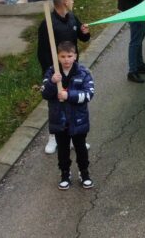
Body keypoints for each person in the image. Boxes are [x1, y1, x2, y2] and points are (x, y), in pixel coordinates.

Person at [37, 0, 91, 154]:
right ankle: (53, 137)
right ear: (64, 2)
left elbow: (83, 38)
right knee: (56, 105)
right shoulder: (47, 23)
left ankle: (76, 137)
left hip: (73, 70)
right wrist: (51, 74)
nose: (73, 0)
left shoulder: (73, 17)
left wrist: (85, 33)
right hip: (56, 72)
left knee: (73, 101)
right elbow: (42, 52)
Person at [41, 41, 95, 190]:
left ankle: (84, 173)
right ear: (57, 57)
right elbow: (45, 93)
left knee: (80, 148)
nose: (66, 59)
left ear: (75, 56)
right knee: (63, 150)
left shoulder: (83, 73)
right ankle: (65, 173)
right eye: (63, 56)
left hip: (78, 120)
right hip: (59, 120)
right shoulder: (52, 73)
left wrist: (69, 95)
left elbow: (89, 94)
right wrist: (52, 83)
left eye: (69, 56)